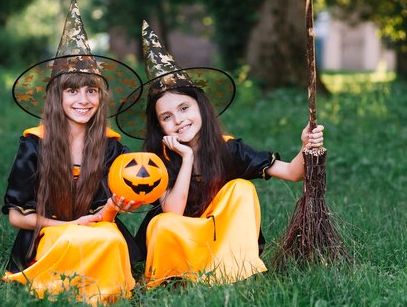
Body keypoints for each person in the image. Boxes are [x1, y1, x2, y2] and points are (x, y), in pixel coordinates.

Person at [115, 21, 324, 287]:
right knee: (162, 224)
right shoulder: (159, 161)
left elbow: (293, 173)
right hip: (180, 240)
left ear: (201, 108)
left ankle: (229, 271)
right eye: (167, 117)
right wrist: (187, 157)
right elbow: (174, 211)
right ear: (160, 126)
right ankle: (175, 278)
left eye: (184, 108)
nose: (179, 120)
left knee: (241, 189)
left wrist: (306, 145)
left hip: (220, 241)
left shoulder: (228, 149)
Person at [2, 0, 143, 305]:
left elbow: (105, 211)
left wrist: (118, 206)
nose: (84, 99)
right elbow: (16, 216)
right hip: (50, 231)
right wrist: (68, 225)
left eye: (91, 90)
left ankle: (101, 296)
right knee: (71, 240)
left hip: (95, 229)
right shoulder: (35, 143)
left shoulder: (110, 145)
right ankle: (64, 292)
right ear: (57, 95)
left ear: (100, 96)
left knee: (107, 238)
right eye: (73, 90)